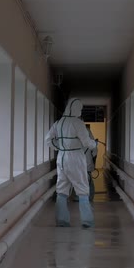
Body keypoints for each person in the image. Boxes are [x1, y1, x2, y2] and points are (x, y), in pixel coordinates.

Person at [45, 98, 97, 228]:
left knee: (61, 189)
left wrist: (59, 146)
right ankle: (87, 221)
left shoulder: (58, 123)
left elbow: (47, 140)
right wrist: (94, 143)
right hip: (76, 157)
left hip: (61, 157)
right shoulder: (78, 123)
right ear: (76, 109)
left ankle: (62, 221)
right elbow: (86, 142)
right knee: (82, 189)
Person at [84, 124, 97, 202]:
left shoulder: (70, 130)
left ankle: (77, 197)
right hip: (87, 162)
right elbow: (94, 149)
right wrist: (94, 161)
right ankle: (89, 198)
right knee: (88, 181)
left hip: (75, 163)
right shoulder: (87, 131)